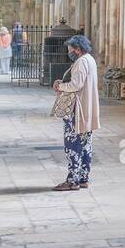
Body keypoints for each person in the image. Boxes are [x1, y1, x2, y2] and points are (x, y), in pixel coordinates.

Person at [52, 35, 100, 191]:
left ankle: (72, 181)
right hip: (88, 108)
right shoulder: (90, 60)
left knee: (73, 145)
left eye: (70, 48)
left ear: (78, 49)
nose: (69, 51)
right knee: (85, 144)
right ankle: (83, 178)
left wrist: (61, 86)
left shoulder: (80, 62)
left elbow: (76, 85)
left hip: (77, 110)